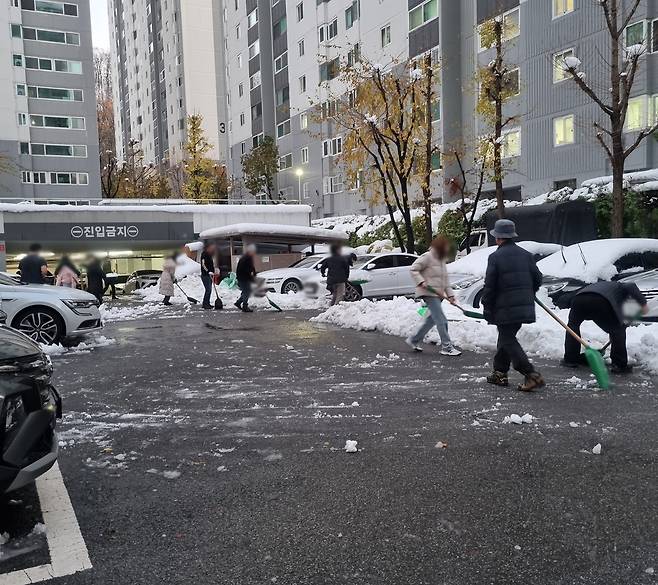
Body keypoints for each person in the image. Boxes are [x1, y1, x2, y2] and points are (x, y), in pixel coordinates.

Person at [482, 219, 545, 392]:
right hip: (523, 305)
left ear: (498, 238)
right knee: (505, 337)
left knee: (508, 339)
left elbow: (490, 285)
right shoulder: (526, 255)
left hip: (504, 307)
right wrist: (528, 292)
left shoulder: (495, 257)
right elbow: (538, 278)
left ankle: (531, 374)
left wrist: (487, 305)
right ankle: (500, 373)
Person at [562, 281, 649, 374]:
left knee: (572, 327)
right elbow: (630, 285)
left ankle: (570, 359)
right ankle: (619, 365)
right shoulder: (621, 287)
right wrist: (643, 303)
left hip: (578, 299)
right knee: (617, 331)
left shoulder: (607, 287)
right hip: (600, 300)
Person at [406, 236, 462, 356]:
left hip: (438, 294)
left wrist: (451, 295)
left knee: (431, 320)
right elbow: (413, 269)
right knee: (441, 319)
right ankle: (447, 347)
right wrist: (421, 281)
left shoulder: (441, 260)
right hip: (428, 292)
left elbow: (445, 280)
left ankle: (414, 339)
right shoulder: (427, 257)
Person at [235, 244, 257, 312]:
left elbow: (251, 267)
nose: (254, 253)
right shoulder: (245, 258)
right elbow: (243, 269)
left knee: (246, 291)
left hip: (245, 277)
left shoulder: (249, 258)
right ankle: (245, 306)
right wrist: (251, 275)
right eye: (253, 251)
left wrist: (254, 273)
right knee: (247, 292)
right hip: (243, 278)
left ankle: (238, 303)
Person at [200, 243, 217, 310]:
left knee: (209, 290)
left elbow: (210, 264)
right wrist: (208, 271)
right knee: (208, 290)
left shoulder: (209, 255)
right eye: (211, 248)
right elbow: (203, 264)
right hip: (205, 275)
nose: (212, 249)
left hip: (209, 274)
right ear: (208, 248)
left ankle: (207, 303)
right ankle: (205, 304)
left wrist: (213, 271)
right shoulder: (204, 254)